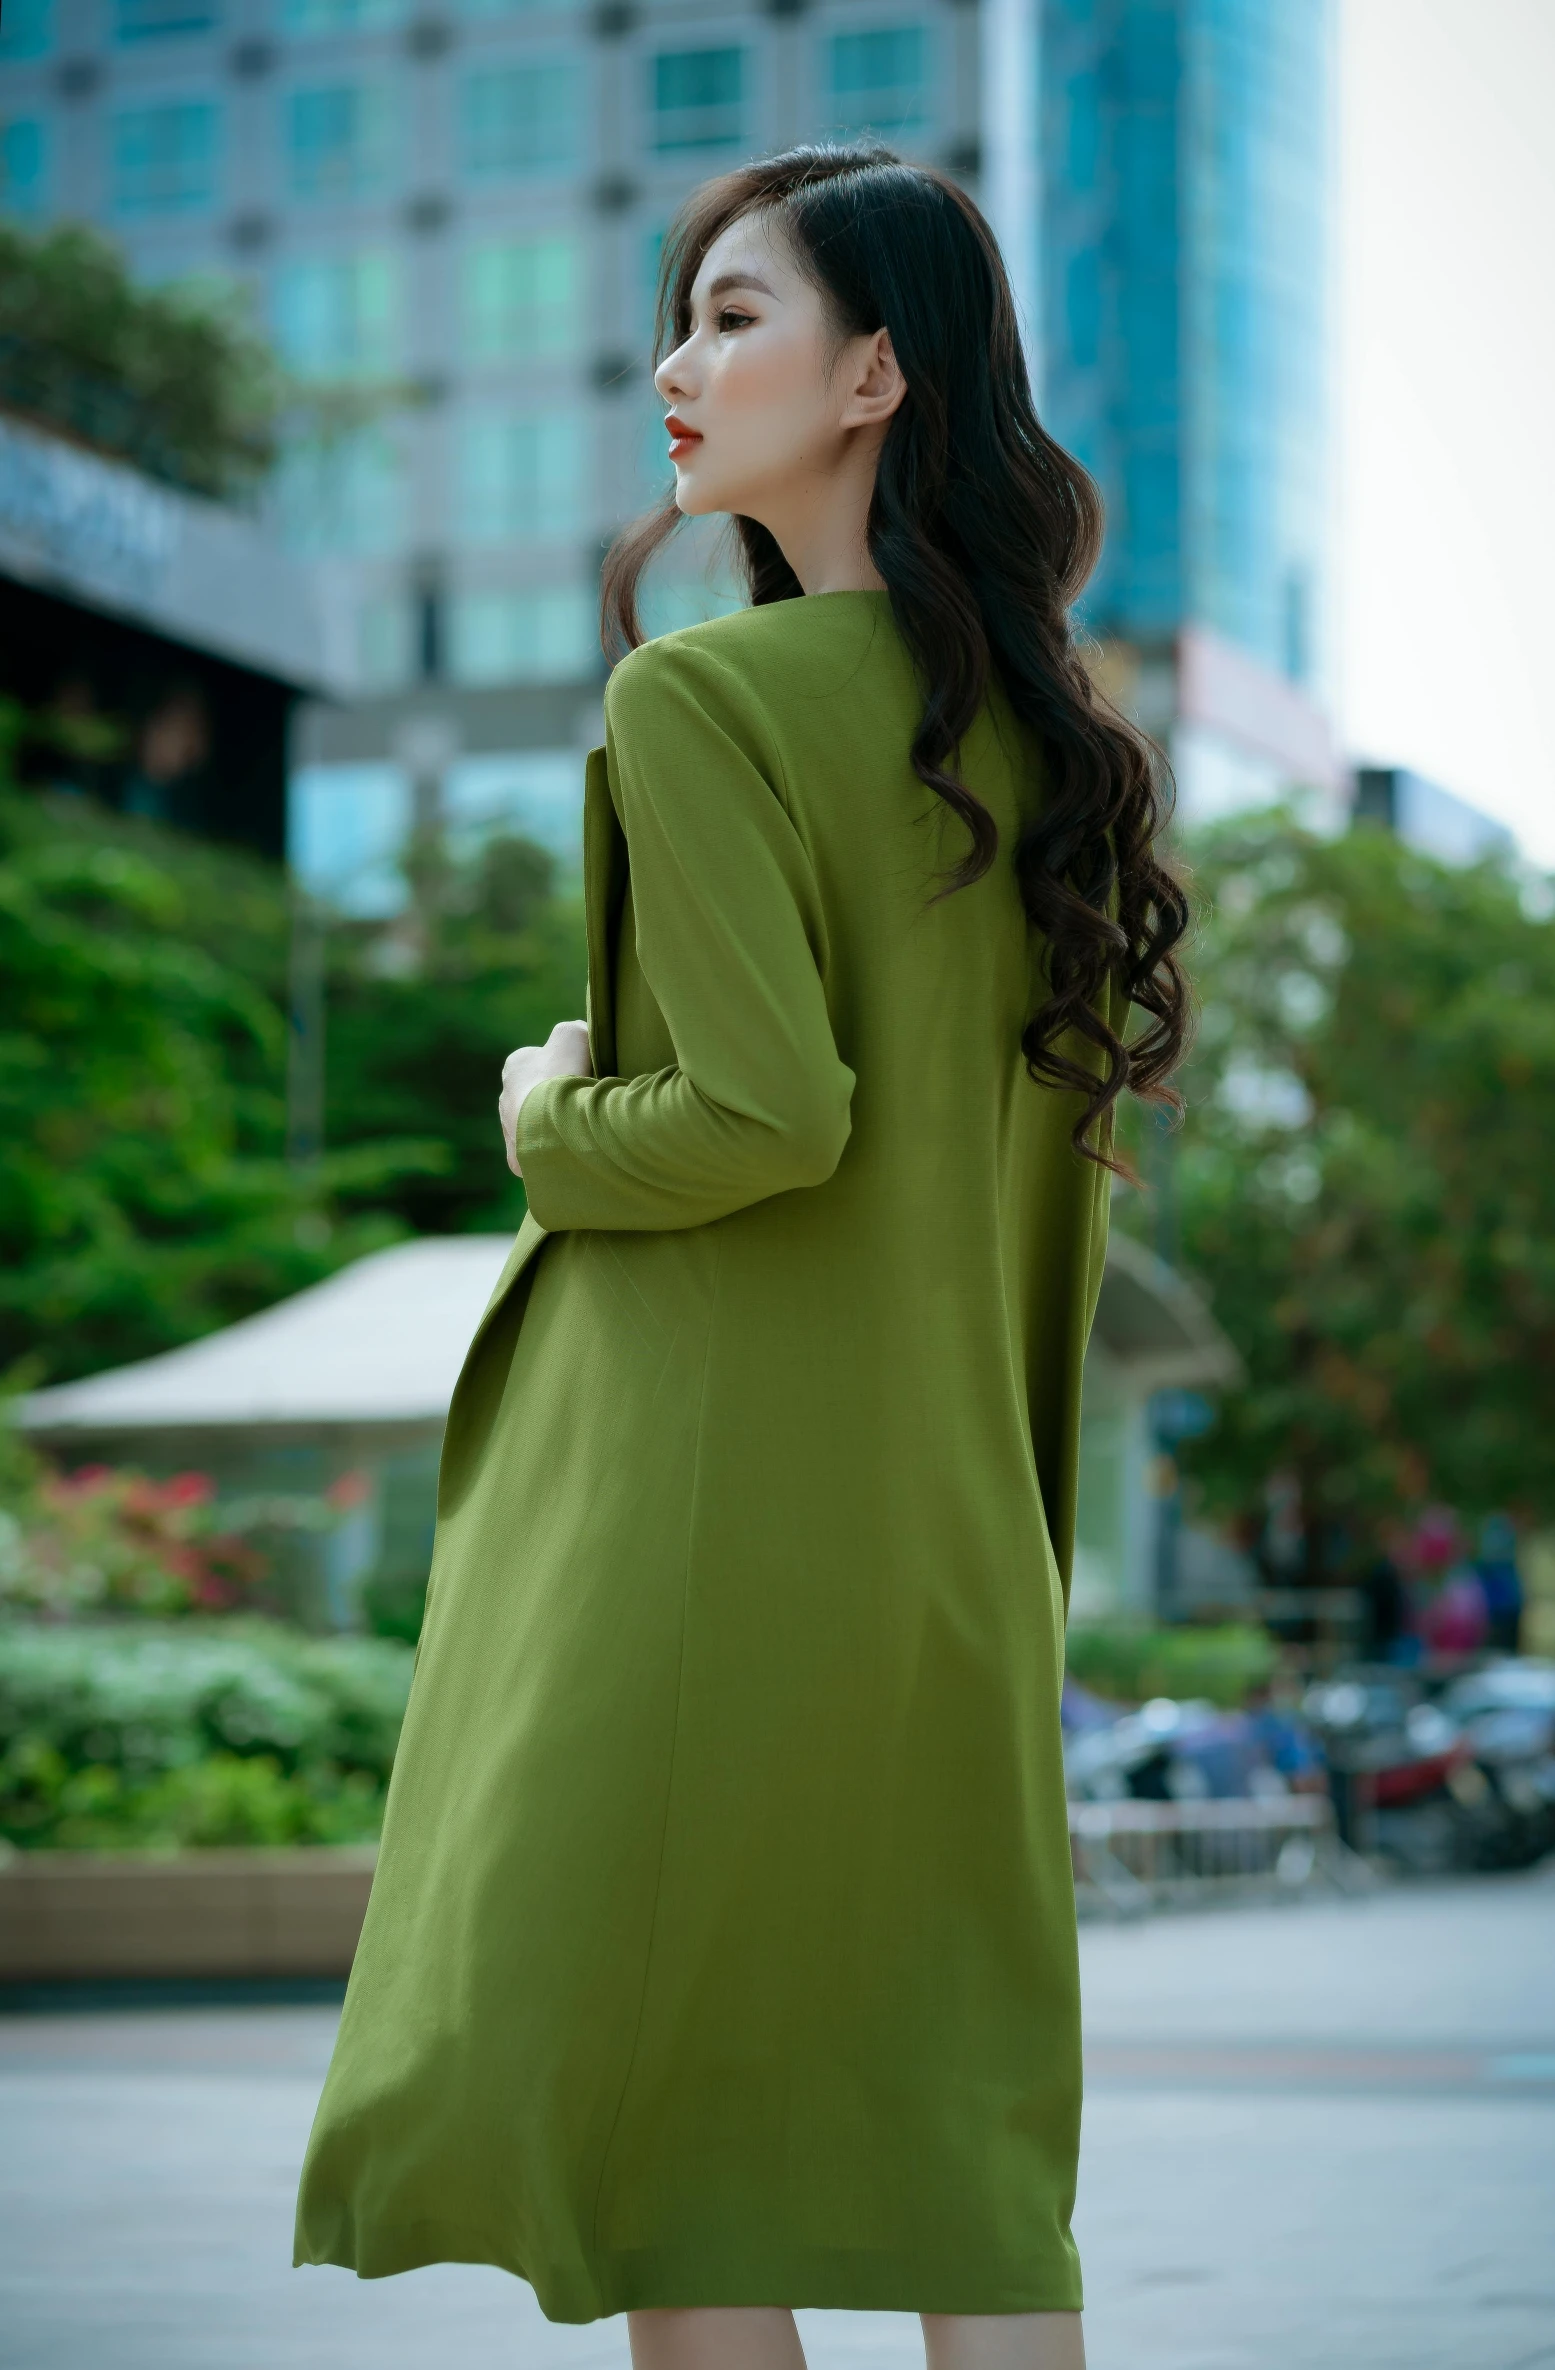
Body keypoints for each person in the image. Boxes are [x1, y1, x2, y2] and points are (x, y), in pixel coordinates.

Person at [293, 144, 1191, 2370]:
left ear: (875, 372)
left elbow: (768, 1122)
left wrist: (541, 1108)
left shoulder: (701, 701)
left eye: (733, 317)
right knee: (968, 2186)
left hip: (703, 1535)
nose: (675, 372)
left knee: (693, 2159)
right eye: (679, 323)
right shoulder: (1053, 752)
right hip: (951, 1544)